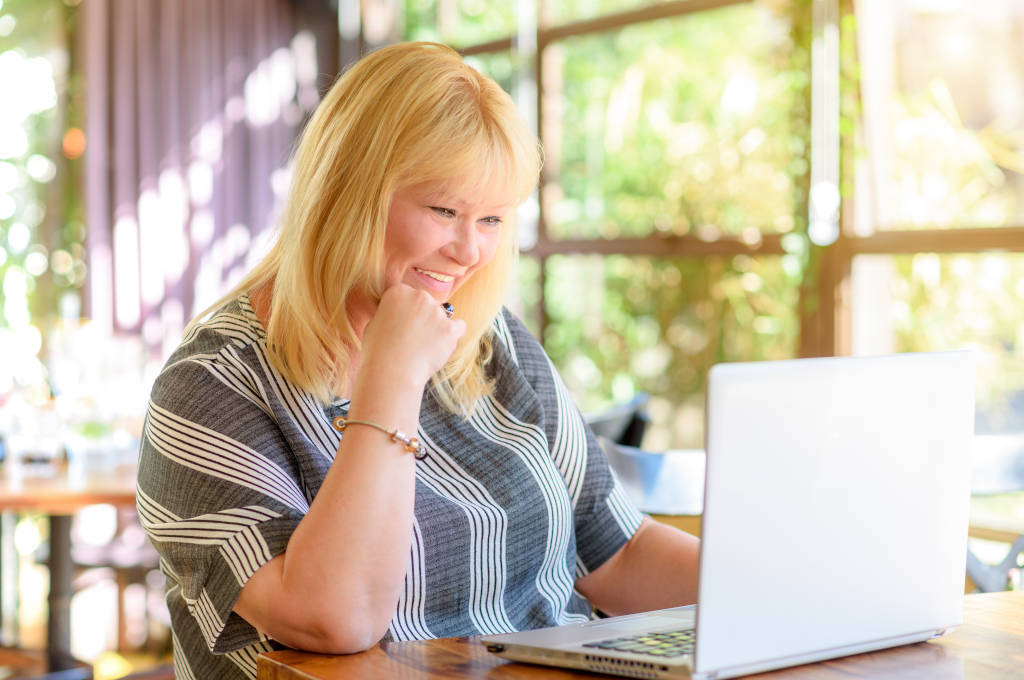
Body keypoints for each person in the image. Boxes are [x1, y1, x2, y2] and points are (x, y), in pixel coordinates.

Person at [137, 41, 699, 680]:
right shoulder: (210, 388)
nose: (469, 252)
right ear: (350, 192)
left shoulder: (494, 344)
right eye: (444, 210)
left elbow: (618, 554)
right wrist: (393, 378)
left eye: (490, 219)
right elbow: (334, 619)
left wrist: (786, 591)